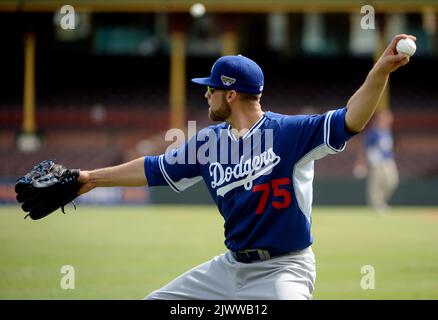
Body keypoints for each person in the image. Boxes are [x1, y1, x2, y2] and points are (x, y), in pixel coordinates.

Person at [76, 34, 414, 300]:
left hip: (285, 269)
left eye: (212, 87)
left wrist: (380, 70)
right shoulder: (209, 142)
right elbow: (154, 168)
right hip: (230, 268)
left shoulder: (289, 133)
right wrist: (89, 178)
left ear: (231, 94)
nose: (206, 93)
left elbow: (351, 119)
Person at [353, 109, 399, 212]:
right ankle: (377, 205)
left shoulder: (387, 131)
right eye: (386, 117)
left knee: (392, 181)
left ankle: (381, 202)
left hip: (388, 160)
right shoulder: (373, 132)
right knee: (376, 184)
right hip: (376, 162)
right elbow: (363, 147)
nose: (389, 120)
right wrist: (361, 162)